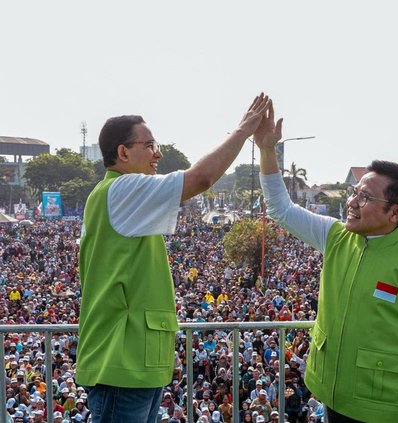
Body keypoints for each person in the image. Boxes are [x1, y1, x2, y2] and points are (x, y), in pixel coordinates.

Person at [253, 102, 398, 422]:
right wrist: (267, 151)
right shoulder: (335, 236)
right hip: (329, 394)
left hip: (383, 408)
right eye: (354, 192)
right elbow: (281, 209)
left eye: (364, 197)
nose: (351, 202)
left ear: (395, 212)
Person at [76, 93, 272, 423]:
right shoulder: (121, 190)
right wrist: (243, 130)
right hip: (120, 362)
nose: (158, 153)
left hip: (136, 361)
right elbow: (200, 178)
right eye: (149, 145)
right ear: (122, 153)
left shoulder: (121, 196)